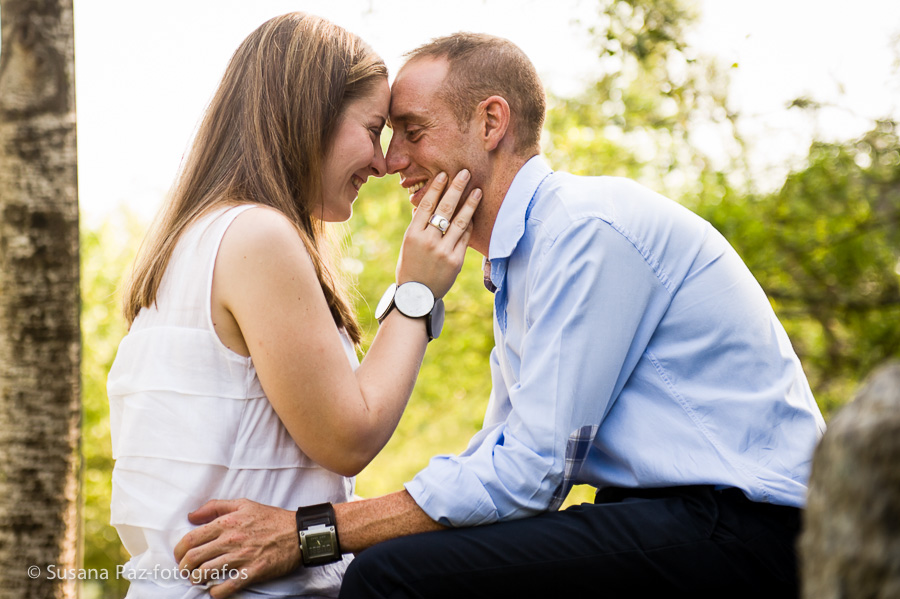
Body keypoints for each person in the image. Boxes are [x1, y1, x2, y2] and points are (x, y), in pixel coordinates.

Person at [174, 32, 827, 599]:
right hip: (674, 519)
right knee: (395, 562)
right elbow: (498, 462)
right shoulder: (526, 259)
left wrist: (307, 534)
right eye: (386, 135)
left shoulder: (584, 230)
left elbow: (526, 476)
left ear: (491, 123)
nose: (392, 161)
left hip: (749, 528)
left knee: (389, 579)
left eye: (413, 130)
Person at [107, 14, 480, 599]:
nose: (384, 163)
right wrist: (418, 292)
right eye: (373, 128)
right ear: (310, 117)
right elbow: (347, 438)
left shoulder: (192, 241)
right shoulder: (259, 236)